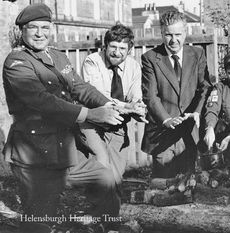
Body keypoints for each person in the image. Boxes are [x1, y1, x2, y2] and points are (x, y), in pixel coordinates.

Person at [2, 3, 135, 232]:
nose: (39, 33)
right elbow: (43, 101)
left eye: (45, 27)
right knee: (40, 219)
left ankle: (104, 226)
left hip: (64, 148)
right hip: (33, 153)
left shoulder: (56, 56)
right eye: (33, 28)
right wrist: (90, 114)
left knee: (104, 178)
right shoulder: (17, 62)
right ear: (22, 31)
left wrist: (112, 105)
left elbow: (80, 87)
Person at [141, 10, 210, 178]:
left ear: (185, 33)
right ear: (161, 33)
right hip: (163, 133)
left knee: (188, 185)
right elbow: (150, 95)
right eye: (168, 35)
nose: (173, 40)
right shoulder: (150, 58)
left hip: (190, 132)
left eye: (178, 34)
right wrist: (166, 120)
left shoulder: (197, 54)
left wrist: (197, 112)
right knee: (162, 186)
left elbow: (205, 87)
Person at [81, 23, 147, 185]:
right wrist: (127, 107)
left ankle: (106, 205)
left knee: (116, 177)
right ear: (105, 46)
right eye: (113, 47)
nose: (117, 52)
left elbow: (135, 96)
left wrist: (137, 107)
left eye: (122, 49)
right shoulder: (92, 61)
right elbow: (97, 96)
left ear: (129, 50)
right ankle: (98, 206)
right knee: (101, 169)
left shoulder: (133, 66)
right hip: (93, 123)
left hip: (118, 126)